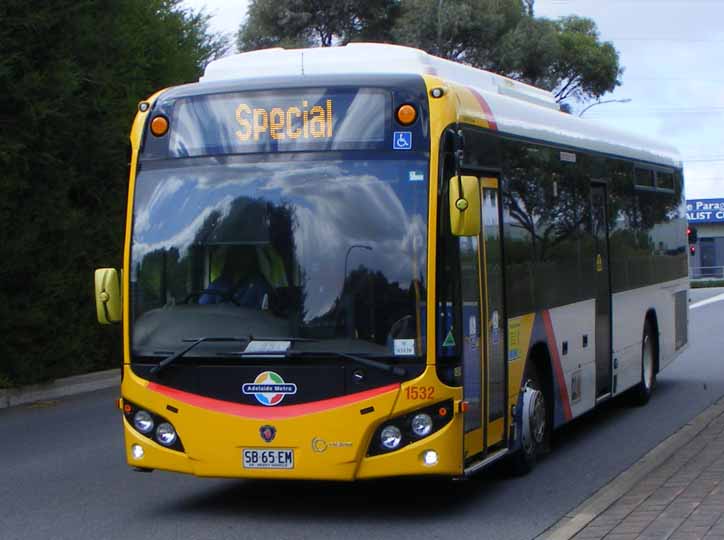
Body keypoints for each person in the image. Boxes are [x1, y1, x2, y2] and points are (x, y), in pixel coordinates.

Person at [199, 247, 271, 308]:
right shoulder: (219, 283)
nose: (239, 258)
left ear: (251, 258)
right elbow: (202, 307)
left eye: (244, 254)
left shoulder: (259, 284)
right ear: (229, 258)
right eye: (235, 254)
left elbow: (266, 311)